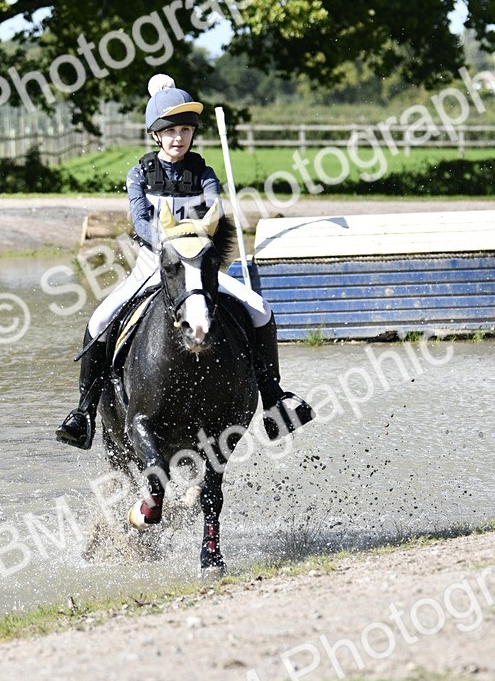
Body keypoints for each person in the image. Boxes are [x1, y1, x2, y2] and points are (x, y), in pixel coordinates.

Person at [55, 74, 311, 449]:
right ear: (156, 135)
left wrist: (203, 239)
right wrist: (168, 243)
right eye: (171, 131)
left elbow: (213, 212)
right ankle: (84, 414)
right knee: (99, 320)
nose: (179, 138)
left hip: (199, 267)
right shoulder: (139, 175)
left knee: (260, 309)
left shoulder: (204, 174)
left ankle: (274, 401)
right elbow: (141, 222)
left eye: (186, 130)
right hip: (154, 264)